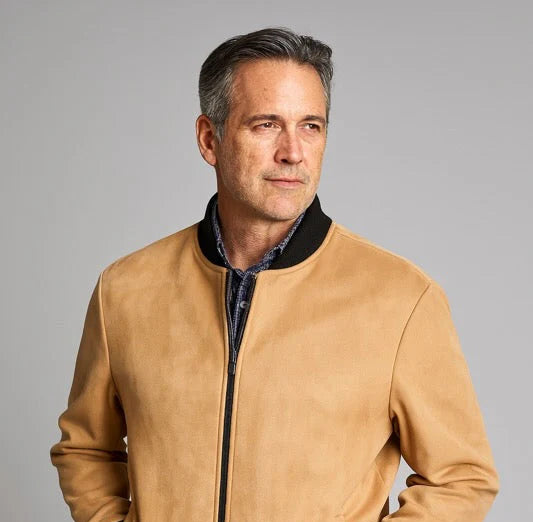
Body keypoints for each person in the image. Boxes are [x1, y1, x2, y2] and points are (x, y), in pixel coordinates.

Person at [50, 27, 499, 522]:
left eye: (311, 126)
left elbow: (461, 478)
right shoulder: (125, 290)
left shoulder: (402, 299)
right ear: (209, 139)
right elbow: (86, 448)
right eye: (266, 125)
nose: (293, 152)